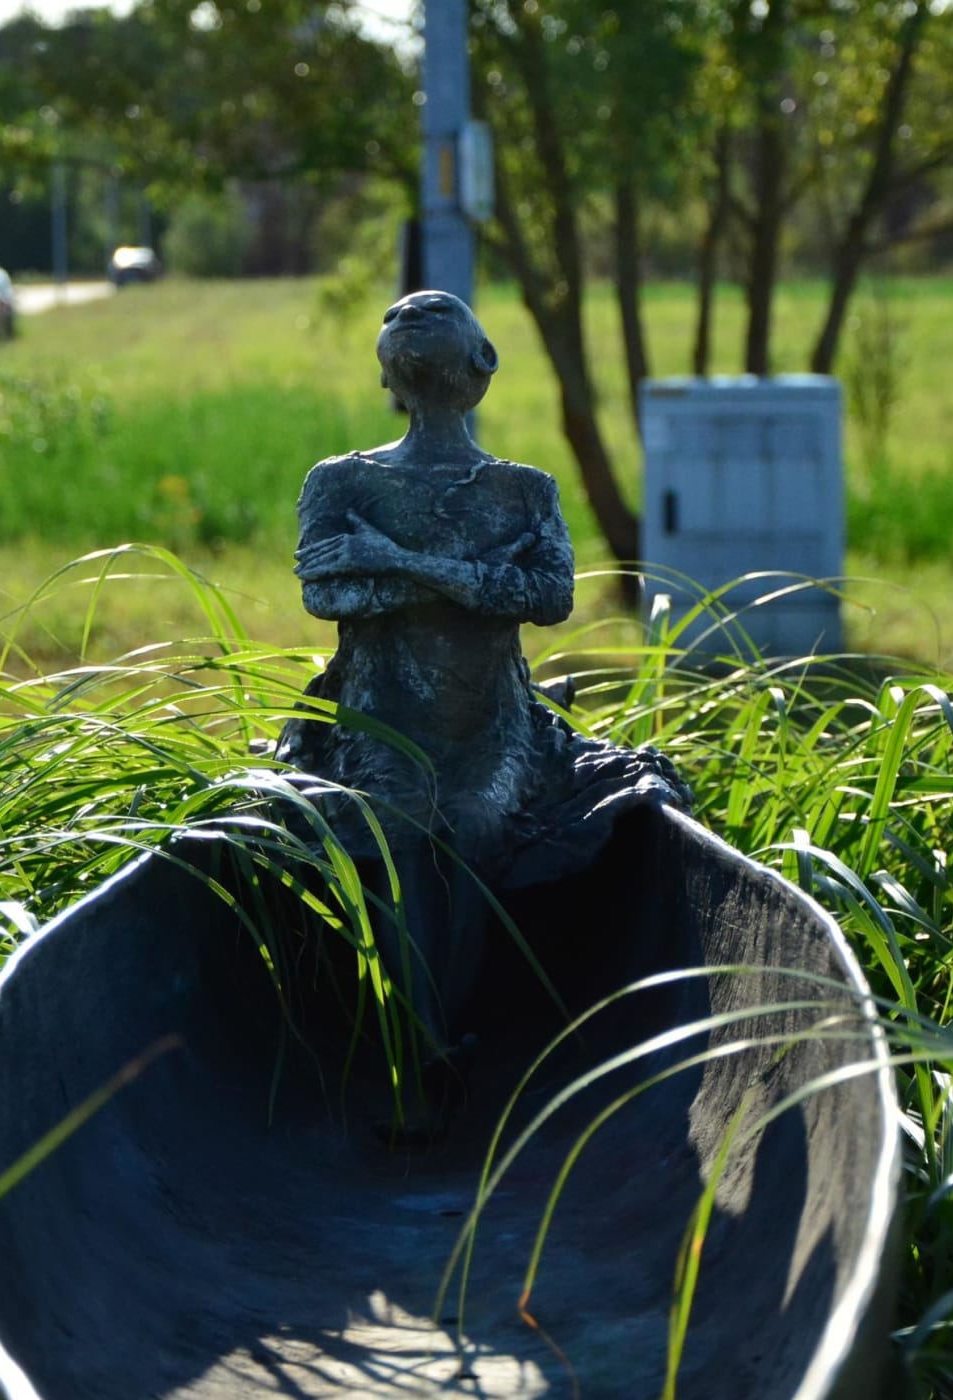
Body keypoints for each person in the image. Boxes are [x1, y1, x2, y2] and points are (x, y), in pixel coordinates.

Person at [277, 291, 688, 1130]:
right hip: (373, 715)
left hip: (493, 725)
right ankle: (423, 1044)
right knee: (396, 827)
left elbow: (547, 599)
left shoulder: (521, 492)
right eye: (400, 324)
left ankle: (428, 1039)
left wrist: (393, 561)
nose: (412, 322)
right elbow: (326, 591)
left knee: (466, 829)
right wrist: (473, 582)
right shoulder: (340, 480)